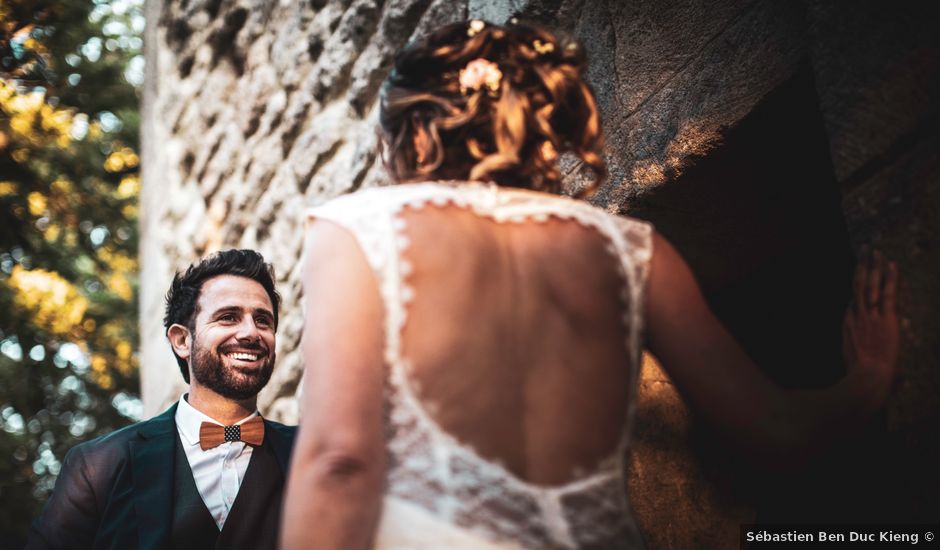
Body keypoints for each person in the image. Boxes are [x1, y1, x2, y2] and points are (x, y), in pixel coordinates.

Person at [281, 21, 899, 550]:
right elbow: (778, 432)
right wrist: (867, 378)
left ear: (416, 133)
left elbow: (340, 460)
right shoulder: (635, 250)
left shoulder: (358, 228)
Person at [28, 249, 296, 550]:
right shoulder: (96, 466)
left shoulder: (309, 454)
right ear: (182, 340)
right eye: (228, 317)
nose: (250, 332)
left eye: (263, 321)